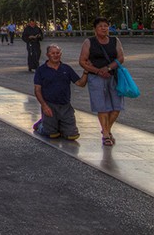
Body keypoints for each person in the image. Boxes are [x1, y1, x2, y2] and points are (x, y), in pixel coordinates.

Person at [79, 17, 126, 146]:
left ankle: (107, 129)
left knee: (117, 107)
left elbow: (121, 58)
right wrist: (98, 71)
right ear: (95, 29)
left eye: (106, 26)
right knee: (102, 107)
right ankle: (106, 134)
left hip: (114, 76)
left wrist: (109, 68)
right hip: (96, 77)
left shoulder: (115, 41)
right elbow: (82, 61)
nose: (104, 28)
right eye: (100, 26)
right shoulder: (89, 42)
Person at [32, 44, 88, 140]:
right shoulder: (41, 70)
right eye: (52, 53)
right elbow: (37, 90)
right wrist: (44, 106)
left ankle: (59, 125)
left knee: (72, 135)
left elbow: (80, 83)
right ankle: (40, 125)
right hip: (49, 105)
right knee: (52, 135)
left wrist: (86, 71)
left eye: (57, 53)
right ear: (47, 55)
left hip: (65, 106)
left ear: (60, 54)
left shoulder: (66, 68)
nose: (55, 55)